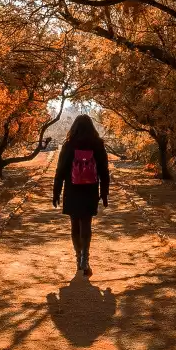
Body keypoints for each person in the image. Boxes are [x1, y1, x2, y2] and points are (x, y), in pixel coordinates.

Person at [52, 115, 111, 277]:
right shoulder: (97, 144)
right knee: (86, 224)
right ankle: (85, 257)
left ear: (75, 127)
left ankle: (78, 259)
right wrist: (104, 193)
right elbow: (104, 171)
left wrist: (56, 192)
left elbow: (60, 171)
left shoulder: (69, 145)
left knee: (74, 225)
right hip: (90, 190)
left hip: (72, 190)